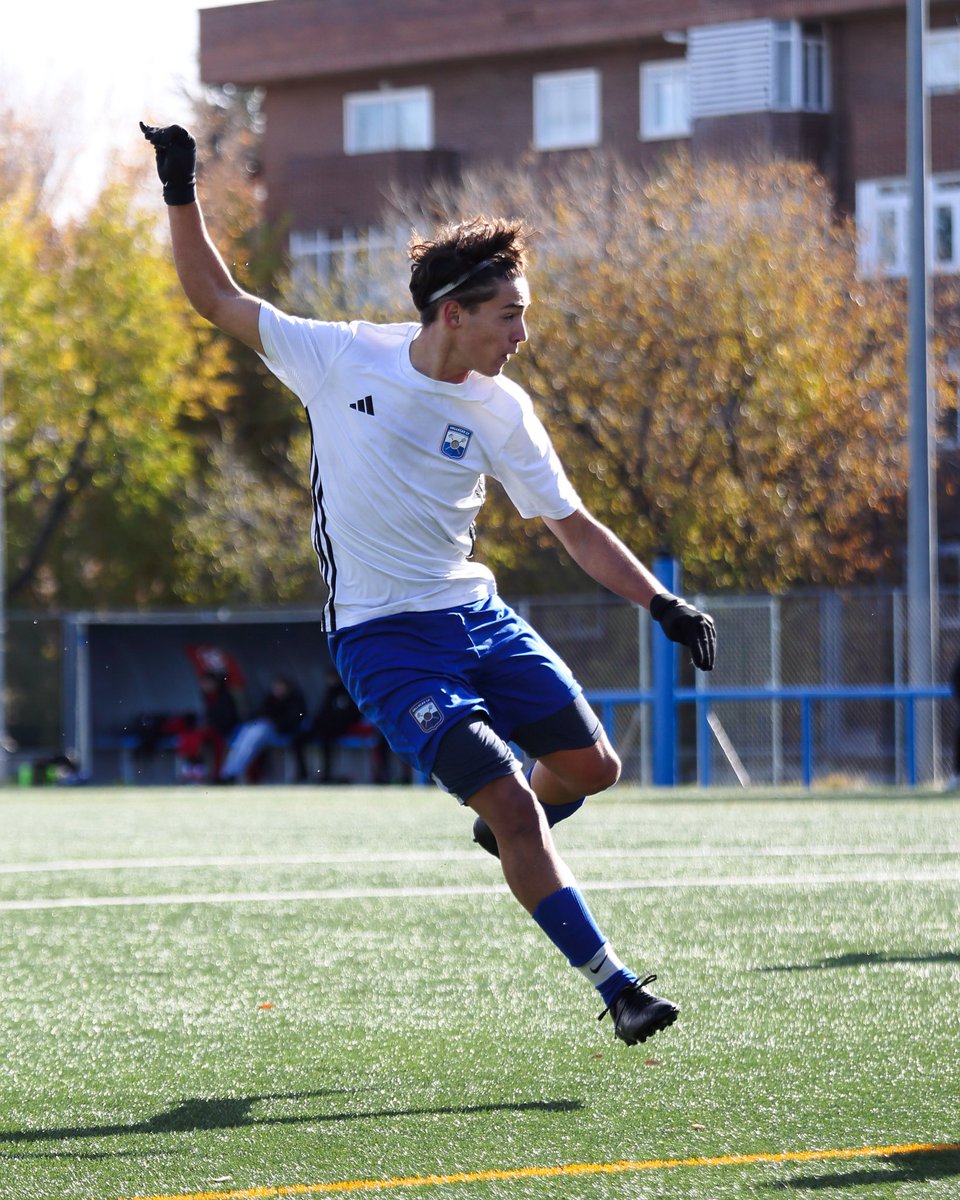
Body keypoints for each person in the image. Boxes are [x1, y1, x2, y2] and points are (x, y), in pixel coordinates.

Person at [142, 122, 717, 1047]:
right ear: (453, 313)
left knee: (593, 770)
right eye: (509, 315)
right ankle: (617, 988)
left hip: (476, 617)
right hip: (382, 638)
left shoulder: (502, 409)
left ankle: (510, 834)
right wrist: (181, 190)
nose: (523, 334)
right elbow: (216, 297)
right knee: (517, 802)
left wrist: (662, 602)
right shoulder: (339, 358)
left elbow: (572, 525)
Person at [219, 674, 308, 783]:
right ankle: (228, 772)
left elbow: (292, 720)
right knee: (246, 734)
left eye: (280, 687)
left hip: (281, 733)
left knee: (258, 732)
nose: (277, 690)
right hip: (263, 730)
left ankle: (233, 773)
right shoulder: (270, 699)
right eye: (276, 687)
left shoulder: (293, 701)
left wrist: (273, 722)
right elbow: (259, 713)